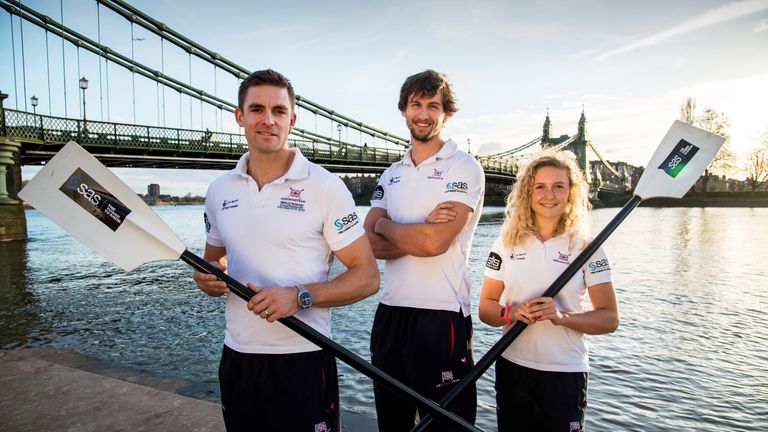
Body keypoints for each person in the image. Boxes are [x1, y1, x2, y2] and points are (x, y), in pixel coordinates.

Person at [192, 69, 379, 432]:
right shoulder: (219, 190)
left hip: (303, 359)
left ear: (292, 120)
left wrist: (300, 297)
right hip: (238, 357)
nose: (268, 119)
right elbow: (213, 261)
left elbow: (368, 277)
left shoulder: (326, 187)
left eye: (278, 111)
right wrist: (207, 278)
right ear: (239, 116)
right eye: (257, 109)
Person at [364, 69, 485, 431]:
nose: (423, 113)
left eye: (433, 106)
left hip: (441, 316)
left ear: (446, 114)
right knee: (392, 423)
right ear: (403, 110)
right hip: (390, 314)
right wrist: (411, 230)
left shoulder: (464, 167)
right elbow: (366, 243)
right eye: (416, 104)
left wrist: (388, 227)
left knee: (447, 425)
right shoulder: (391, 173)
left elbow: (435, 243)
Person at [478, 151, 620, 432]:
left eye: (558, 187)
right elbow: (486, 309)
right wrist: (512, 312)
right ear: (528, 193)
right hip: (512, 366)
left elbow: (609, 318)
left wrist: (562, 318)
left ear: (571, 194)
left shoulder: (587, 247)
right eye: (540, 187)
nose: (549, 195)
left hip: (564, 373)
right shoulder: (506, 242)